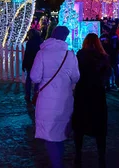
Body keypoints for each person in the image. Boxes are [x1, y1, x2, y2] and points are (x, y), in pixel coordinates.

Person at [30, 26, 80, 168]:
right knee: (60, 135)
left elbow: (34, 76)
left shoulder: (42, 53)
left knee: (50, 136)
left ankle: (57, 164)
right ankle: (58, 162)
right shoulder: (70, 54)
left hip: (46, 102)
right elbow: (76, 77)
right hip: (64, 100)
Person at [72, 33, 110, 168]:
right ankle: (101, 156)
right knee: (99, 125)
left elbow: (75, 74)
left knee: (80, 125)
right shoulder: (103, 57)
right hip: (97, 93)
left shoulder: (80, 56)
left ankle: (78, 154)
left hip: (83, 93)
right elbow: (106, 76)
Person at [23, 29, 43, 102]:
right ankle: (36, 94)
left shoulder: (30, 42)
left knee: (29, 79)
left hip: (30, 63)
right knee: (37, 79)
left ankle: (28, 95)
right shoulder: (40, 41)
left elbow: (27, 54)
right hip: (37, 62)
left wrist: (24, 64)